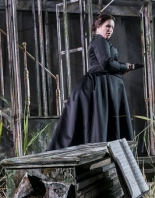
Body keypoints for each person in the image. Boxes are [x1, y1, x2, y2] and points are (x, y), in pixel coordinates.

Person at [48, 14, 136, 151]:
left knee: (104, 124)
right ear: (98, 26)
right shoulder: (99, 40)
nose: (110, 30)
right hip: (99, 86)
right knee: (97, 123)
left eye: (112, 27)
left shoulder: (103, 42)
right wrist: (125, 67)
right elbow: (106, 63)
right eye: (107, 26)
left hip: (106, 87)